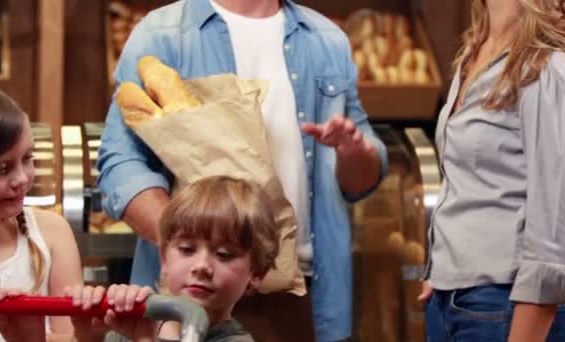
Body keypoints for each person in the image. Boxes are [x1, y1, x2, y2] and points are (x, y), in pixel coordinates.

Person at [97, 0, 388, 340]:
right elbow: (121, 165)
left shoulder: (327, 39)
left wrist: (352, 151)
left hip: (302, 297)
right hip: (191, 304)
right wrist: (198, 252)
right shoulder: (163, 34)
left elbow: (361, 180)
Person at [418, 0, 565, 341]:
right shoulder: (475, 49)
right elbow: (471, 183)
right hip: (449, 301)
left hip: (505, 306)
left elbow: (554, 231)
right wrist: (442, 271)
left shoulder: (545, 61)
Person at [67, 176, 281, 342]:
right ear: (164, 258)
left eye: (224, 255)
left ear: (256, 273)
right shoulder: (121, 330)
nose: (202, 266)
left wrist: (144, 338)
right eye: (187, 249)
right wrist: (88, 336)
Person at [0, 82, 83, 341]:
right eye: (1, 169)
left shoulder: (51, 232)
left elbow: (73, 335)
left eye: (27, 158)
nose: (22, 179)